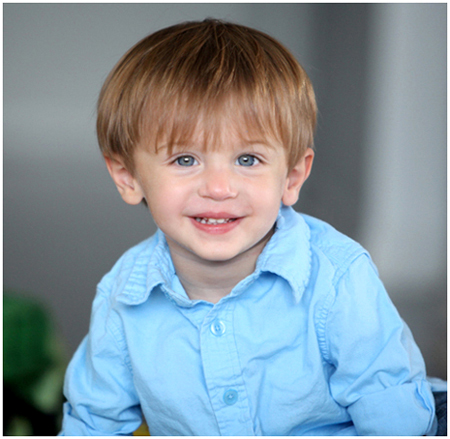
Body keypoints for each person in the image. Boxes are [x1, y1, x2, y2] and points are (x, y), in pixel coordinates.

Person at [60, 19, 439, 435]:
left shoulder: (338, 279)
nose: (219, 188)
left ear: (292, 177)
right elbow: (93, 423)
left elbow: (391, 417)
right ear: (127, 177)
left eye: (247, 160)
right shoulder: (122, 298)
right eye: (185, 159)